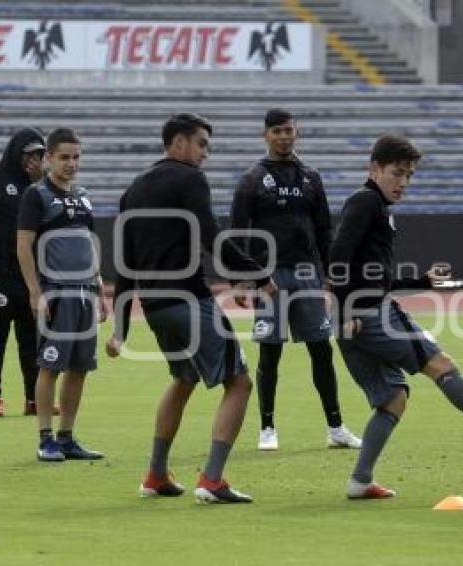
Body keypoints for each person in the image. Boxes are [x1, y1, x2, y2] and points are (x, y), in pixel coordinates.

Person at [329, 134, 463, 500]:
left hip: (365, 313)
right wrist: (345, 308)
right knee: (440, 363)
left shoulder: (376, 207)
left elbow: (372, 275)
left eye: (409, 175)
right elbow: (337, 254)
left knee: (392, 400)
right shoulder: (365, 202)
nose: (403, 182)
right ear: (374, 169)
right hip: (368, 316)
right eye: (397, 173)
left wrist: (419, 281)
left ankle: (360, 480)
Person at [105, 113, 277, 503]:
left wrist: (120, 330)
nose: (205, 154)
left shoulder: (132, 190)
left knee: (184, 380)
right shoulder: (190, 180)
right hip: (187, 299)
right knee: (240, 382)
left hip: (154, 307)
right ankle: (213, 479)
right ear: (178, 142)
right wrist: (259, 273)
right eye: (201, 144)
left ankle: (156, 474)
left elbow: (124, 264)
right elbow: (211, 236)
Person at [230, 108, 361, 451]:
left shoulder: (311, 177)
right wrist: (242, 280)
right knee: (270, 354)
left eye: (289, 130)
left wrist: (331, 275)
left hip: (306, 274)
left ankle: (336, 427)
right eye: (277, 131)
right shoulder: (252, 179)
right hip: (268, 276)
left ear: (297, 133)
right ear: (266, 136)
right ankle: (267, 428)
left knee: (322, 350)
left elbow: (323, 231)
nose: (284, 136)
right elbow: (237, 233)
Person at [17, 127, 109, 463]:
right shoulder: (36, 195)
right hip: (56, 291)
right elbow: (23, 245)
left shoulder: (83, 195)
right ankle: (45, 438)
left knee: (80, 367)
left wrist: (99, 286)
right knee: (50, 365)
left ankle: (67, 437)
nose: (71, 163)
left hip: (85, 292)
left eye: (76, 157)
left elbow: (89, 243)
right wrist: (34, 292)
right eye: (64, 157)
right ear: (48, 159)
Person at [0, 128, 46, 417]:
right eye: (30, 153)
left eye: (40, 154)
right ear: (16, 152)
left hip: (30, 273)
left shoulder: (43, 188)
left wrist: (39, 184)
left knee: (31, 339)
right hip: (0, 272)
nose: (34, 160)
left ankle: (33, 398)